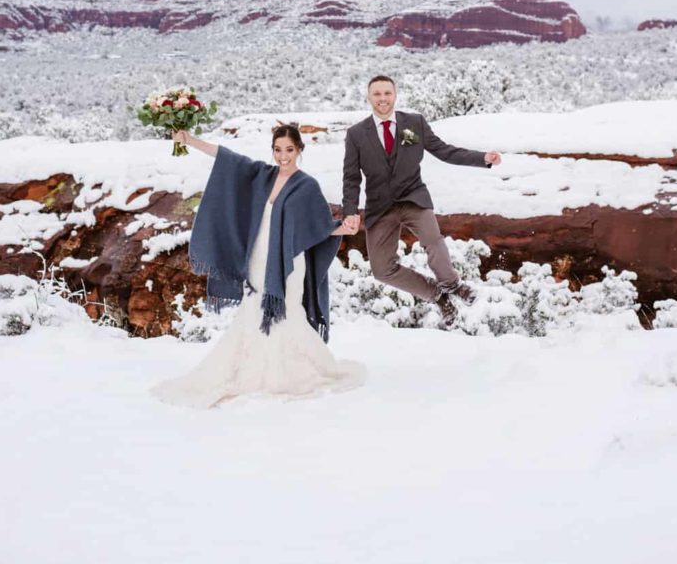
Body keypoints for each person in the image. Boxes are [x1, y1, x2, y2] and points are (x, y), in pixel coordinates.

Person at [151, 124, 365, 407]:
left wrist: (344, 229)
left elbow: (319, 226)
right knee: (253, 311)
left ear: (300, 150)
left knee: (288, 312)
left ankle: (287, 374)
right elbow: (226, 158)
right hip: (257, 259)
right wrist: (189, 140)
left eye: (289, 150)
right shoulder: (262, 176)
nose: (283, 156)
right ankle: (251, 372)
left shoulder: (307, 186)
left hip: (289, 263)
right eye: (278, 150)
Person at [342, 75, 502, 328]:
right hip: (380, 207)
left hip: (413, 197)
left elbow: (444, 151)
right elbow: (351, 178)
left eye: (387, 93)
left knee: (433, 240)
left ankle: (453, 286)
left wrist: (482, 158)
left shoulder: (413, 124)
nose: (382, 99)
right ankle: (437, 295)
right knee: (382, 270)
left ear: (395, 95)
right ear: (369, 97)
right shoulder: (356, 134)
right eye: (377, 94)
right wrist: (350, 211)